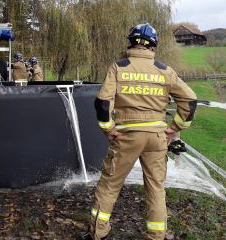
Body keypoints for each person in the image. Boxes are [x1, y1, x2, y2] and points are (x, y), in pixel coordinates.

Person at [83, 23, 197, 240]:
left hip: (127, 136)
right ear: (153, 45)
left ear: (131, 42)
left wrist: (109, 130)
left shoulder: (119, 67)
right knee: (156, 187)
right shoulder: (165, 70)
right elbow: (190, 100)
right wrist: (174, 128)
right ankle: (157, 234)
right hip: (156, 137)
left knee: (110, 185)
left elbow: (102, 103)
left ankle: (98, 232)